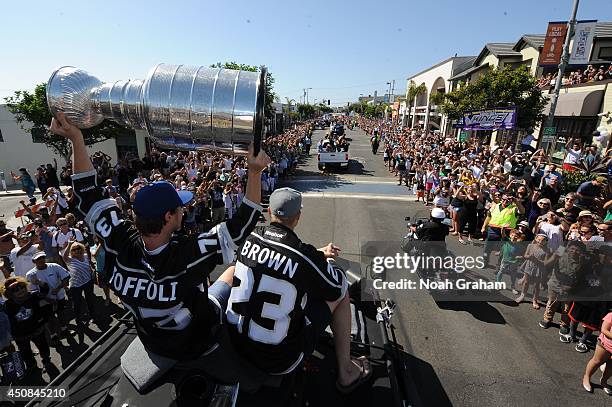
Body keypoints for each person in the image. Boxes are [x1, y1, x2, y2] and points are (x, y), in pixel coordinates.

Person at [49, 111, 270, 362]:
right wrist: (255, 173)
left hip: (151, 340)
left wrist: (76, 138)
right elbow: (241, 227)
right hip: (195, 341)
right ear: (167, 216)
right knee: (232, 273)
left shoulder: (117, 240)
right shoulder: (187, 255)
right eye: (179, 206)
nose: (183, 209)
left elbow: (87, 195)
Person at [226, 188, 371, 396]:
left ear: (269, 211)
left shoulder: (250, 239)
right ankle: (346, 371)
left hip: (237, 346)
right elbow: (336, 286)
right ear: (298, 217)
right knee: (343, 294)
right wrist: (328, 261)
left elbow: (277, 255)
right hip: (279, 360)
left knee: (233, 270)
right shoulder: (304, 256)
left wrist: (315, 254)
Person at [1, 276, 53, 372]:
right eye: (15, 289)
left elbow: (45, 291)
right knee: (25, 352)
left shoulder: (33, 296)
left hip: (37, 329)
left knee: (43, 347)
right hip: (20, 335)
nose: (20, 290)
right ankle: (32, 366)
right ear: (9, 293)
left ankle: (47, 362)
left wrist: (39, 282)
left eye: (21, 286)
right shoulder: (7, 305)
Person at [26, 251, 70, 342]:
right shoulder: (30, 274)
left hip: (59, 296)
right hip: (45, 301)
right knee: (49, 319)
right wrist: (48, 299)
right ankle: (53, 336)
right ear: (34, 262)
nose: (41, 260)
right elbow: (33, 291)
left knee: (61, 313)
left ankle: (64, 329)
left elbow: (66, 277)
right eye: (38, 259)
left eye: (42, 257)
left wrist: (58, 288)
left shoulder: (54, 266)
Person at [582, 310, 612, 394]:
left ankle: (604, 382)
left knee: (610, 367)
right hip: (605, 344)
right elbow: (604, 330)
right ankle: (586, 377)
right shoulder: (611, 315)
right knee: (596, 361)